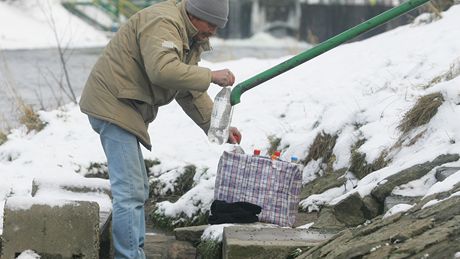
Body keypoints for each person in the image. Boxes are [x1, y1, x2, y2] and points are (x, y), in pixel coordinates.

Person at [79, 0, 241, 257]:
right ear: (195, 14)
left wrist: (217, 125)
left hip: (126, 106)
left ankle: (132, 252)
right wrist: (210, 76)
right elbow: (163, 71)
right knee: (130, 190)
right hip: (112, 103)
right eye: (210, 24)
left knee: (136, 188)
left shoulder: (190, 33)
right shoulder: (163, 22)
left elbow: (187, 86)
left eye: (218, 27)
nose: (213, 31)